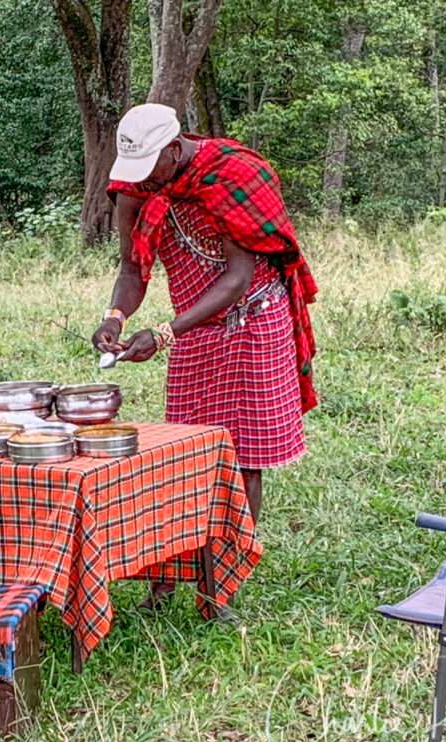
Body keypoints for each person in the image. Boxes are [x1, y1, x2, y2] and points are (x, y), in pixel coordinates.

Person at [91, 103, 318, 611]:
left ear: (174, 149)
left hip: (253, 321)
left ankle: (221, 585)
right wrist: (115, 317)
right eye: (137, 172)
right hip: (191, 327)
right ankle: (165, 582)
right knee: (182, 455)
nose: (144, 182)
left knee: (243, 458)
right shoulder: (137, 188)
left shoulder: (233, 176)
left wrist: (166, 333)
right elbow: (132, 270)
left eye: (152, 168)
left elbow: (237, 278)